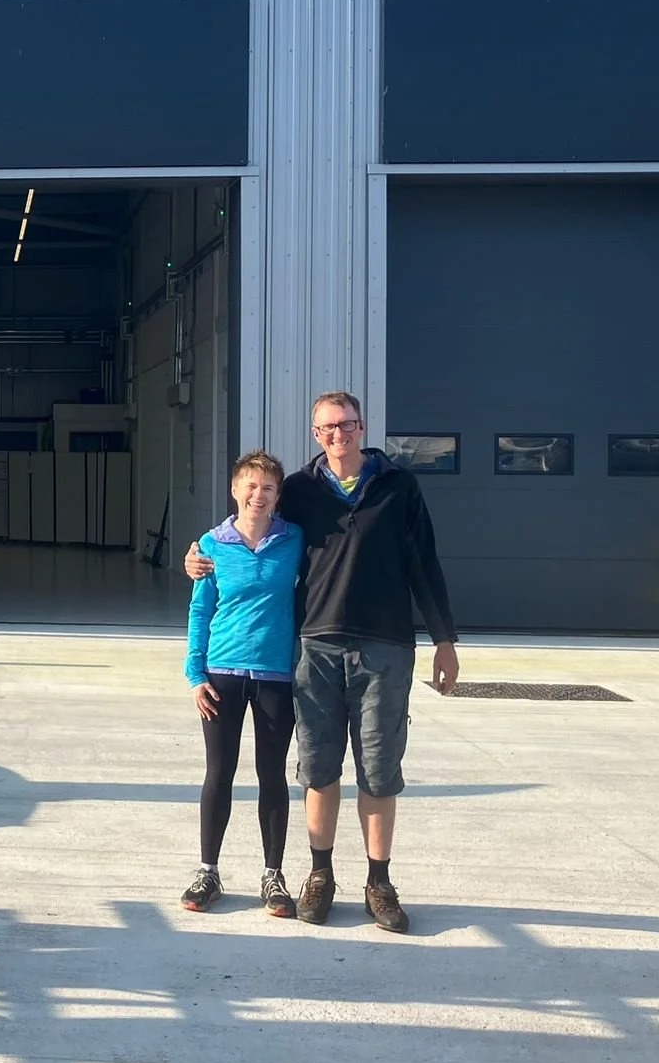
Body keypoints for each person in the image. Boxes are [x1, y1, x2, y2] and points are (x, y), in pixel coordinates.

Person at [186, 391, 458, 933]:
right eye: (328, 427)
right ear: (316, 434)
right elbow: (248, 516)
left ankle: (379, 882)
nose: (339, 435)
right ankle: (320, 874)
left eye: (347, 425)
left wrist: (444, 639)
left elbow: (423, 560)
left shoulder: (399, 486)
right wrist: (199, 556)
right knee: (318, 767)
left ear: (361, 427)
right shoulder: (302, 492)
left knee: (379, 771)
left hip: (385, 646)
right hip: (316, 647)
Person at [182, 449, 304, 917]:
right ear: (235, 490)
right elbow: (200, 611)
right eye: (250, 486)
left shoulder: (294, 540)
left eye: (268, 488)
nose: (259, 495)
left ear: (277, 496)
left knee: (271, 775)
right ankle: (207, 871)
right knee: (219, 773)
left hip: (276, 676)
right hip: (222, 675)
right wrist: (196, 674)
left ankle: (273, 876)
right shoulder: (211, 545)